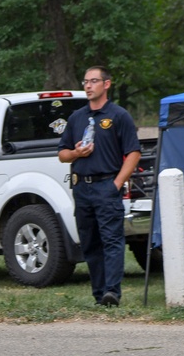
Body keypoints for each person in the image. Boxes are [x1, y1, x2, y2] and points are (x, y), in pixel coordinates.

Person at [58, 66, 141, 307]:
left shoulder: (118, 116)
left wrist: (117, 184)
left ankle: (112, 292)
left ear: (106, 84)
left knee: (112, 240)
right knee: (90, 241)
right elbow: (62, 154)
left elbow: (133, 152)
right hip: (82, 187)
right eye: (85, 81)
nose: (88, 86)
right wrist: (75, 152)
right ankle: (98, 294)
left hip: (107, 185)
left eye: (94, 81)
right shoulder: (77, 118)